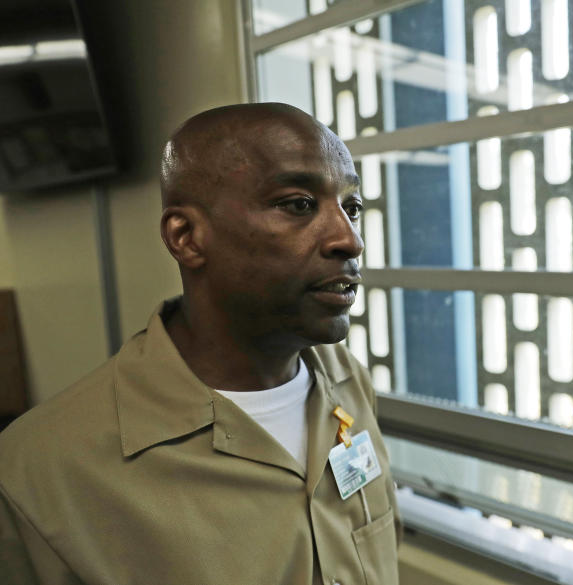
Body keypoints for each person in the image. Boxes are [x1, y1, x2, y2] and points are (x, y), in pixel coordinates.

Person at [0, 103, 400, 584]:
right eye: (298, 204)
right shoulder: (40, 471)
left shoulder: (347, 379)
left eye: (351, 207)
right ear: (187, 237)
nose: (349, 239)